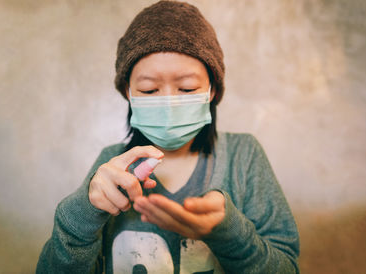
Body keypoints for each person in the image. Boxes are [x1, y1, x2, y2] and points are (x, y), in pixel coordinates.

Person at [36, 1, 300, 273]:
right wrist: (82, 214)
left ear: (212, 91)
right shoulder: (110, 164)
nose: (169, 105)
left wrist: (228, 232)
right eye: (150, 90)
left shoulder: (244, 157)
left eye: (186, 88)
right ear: (129, 93)